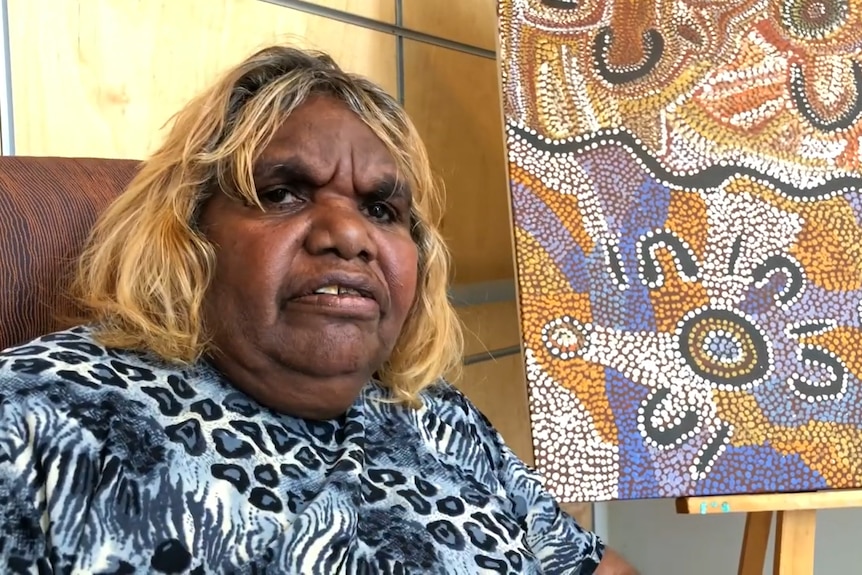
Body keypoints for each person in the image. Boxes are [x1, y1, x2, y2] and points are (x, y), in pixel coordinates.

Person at [0, 45, 637, 574]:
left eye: (382, 210)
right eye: (281, 193)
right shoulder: (32, 420)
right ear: (189, 231)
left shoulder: (437, 416)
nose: (349, 235)